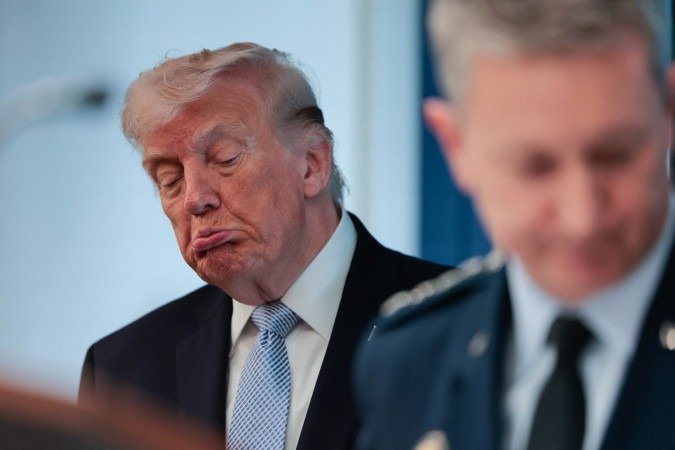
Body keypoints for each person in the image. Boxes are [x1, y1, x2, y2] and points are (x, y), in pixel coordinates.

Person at [79, 42, 446, 450]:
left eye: (225, 159)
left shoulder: (455, 324)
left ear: (312, 165)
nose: (195, 199)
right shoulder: (121, 372)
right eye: (170, 179)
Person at [354, 1, 675, 449]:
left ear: (670, 109)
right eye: (534, 167)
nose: (581, 219)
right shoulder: (411, 363)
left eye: (615, 155)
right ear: (455, 146)